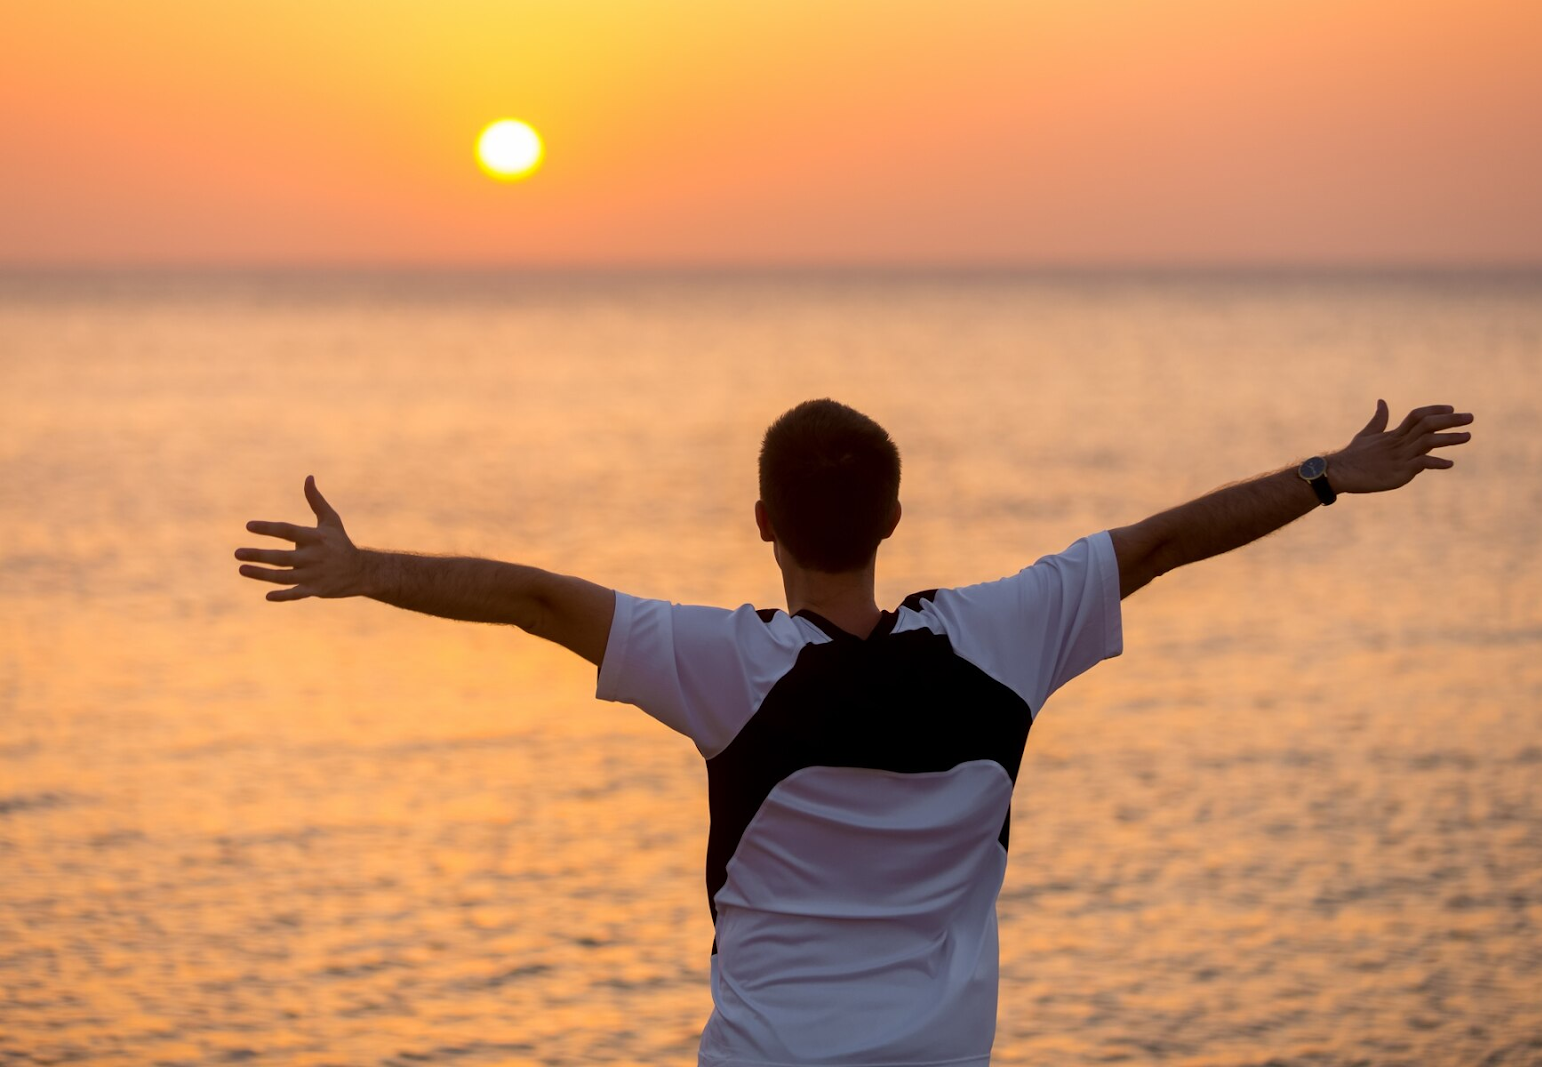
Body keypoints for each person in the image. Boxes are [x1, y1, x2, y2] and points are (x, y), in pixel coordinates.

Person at [235, 397, 1473, 1066]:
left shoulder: (726, 666)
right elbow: (1160, 540)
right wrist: (1327, 473)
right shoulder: (1007, 634)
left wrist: (362, 568)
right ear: (895, 514)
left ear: (762, 517)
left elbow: (536, 597)